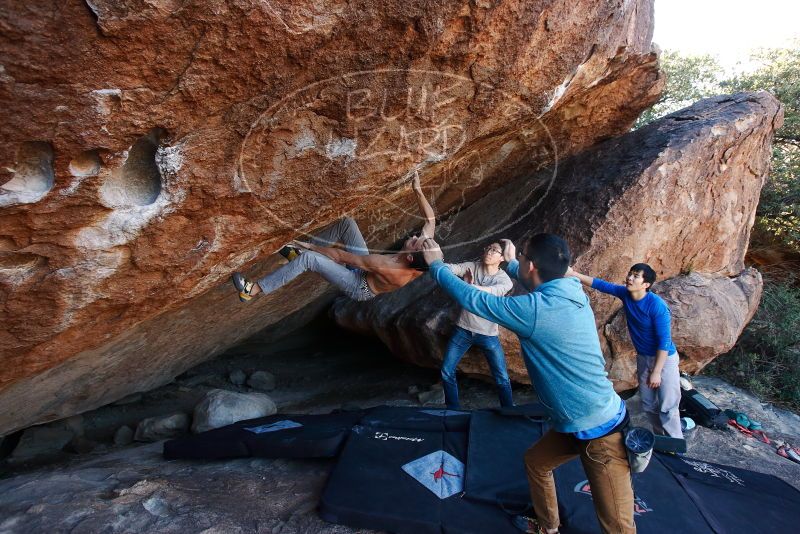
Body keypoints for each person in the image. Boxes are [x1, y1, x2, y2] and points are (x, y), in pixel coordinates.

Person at [421, 234, 635, 534]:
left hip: (602, 431)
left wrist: (437, 266)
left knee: (619, 527)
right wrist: (512, 263)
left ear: (531, 265)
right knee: (536, 463)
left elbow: (473, 299)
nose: (518, 261)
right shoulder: (571, 288)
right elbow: (539, 279)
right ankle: (548, 527)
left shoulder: (534, 311)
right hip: (572, 421)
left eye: (522, 259)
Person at [231, 173, 435, 302]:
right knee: (347, 224)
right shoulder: (423, 257)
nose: (416, 236)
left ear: (410, 257)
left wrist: (309, 245)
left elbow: (340, 256)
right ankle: (295, 254)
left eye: (415, 241)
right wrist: (417, 189)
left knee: (309, 258)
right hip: (366, 269)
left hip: (359, 286)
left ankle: (253, 290)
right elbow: (430, 220)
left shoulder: (387, 266)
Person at [566, 264, 683, 439]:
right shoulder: (626, 294)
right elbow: (602, 285)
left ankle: (675, 442)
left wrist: (657, 372)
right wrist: (573, 274)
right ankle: (662, 438)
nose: (630, 278)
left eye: (636, 276)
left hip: (664, 359)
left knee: (668, 405)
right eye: (630, 274)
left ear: (646, 284)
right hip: (644, 357)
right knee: (648, 403)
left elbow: (664, 342)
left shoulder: (656, 306)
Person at [441, 242, 515, 409]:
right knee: (446, 371)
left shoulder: (505, 281)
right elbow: (452, 269)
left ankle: (510, 412)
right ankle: (453, 410)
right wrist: (436, 264)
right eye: (488, 248)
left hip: (488, 335)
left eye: (494, 250)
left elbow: (488, 293)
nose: (489, 252)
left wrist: (467, 286)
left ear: (502, 258)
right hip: (463, 329)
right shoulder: (472, 266)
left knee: (502, 377)